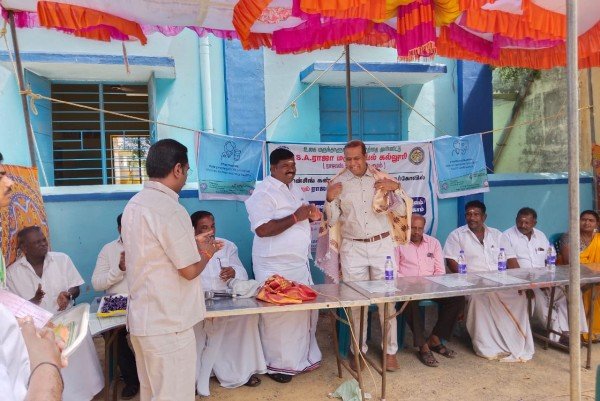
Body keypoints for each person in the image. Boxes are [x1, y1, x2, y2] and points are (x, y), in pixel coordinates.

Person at [121, 138, 221, 401]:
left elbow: (154, 253)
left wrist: (192, 242)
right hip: (168, 325)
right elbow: (189, 271)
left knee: (153, 394)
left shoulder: (134, 204)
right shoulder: (170, 209)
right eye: (186, 171)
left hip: (144, 322)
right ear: (177, 169)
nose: (186, 178)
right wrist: (208, 253)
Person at [324, 140, 411, 371]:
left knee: (387, 300)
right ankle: (358, 351)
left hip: (382, 246)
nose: (352, 163)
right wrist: (329, 199)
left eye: (357, 158)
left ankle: (389, 352)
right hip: (352, 249)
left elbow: (402, 211)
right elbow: (332, 221)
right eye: (348, 159)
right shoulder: (337, 183)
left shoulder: (381, 179)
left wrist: (395, 189)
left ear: (366, 157)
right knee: (356, 303)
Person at [245, 147, 322, 383]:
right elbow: (263, 229)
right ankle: (278, 365)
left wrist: (310, 215)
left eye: (293, 165)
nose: (291, 169)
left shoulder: (294, 188)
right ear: (273, 168)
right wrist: (296, 217)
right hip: (274, 265)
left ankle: (301, 360)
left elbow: (301, 214)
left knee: (303, 313)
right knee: (279, 317)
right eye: (285, 166)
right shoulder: (263, 193)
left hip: (298, 264)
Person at [6, 226, 104, 401]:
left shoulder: (61, 259)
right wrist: (34, 300)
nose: (43, 244)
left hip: (70, 323)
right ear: (24, 248)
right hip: (41, 333)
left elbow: (76, 288)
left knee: (83, 373)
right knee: (59, 376)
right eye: (37, 242)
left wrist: (68, 295)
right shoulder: (12, 273)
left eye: (43, 240)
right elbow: (14, 310)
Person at [0, 151, 65, 401]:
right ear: (24, 248)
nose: (10, 183)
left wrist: (27, 322)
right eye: (0, 176)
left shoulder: (60, 260)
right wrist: (46, 364)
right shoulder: (15, 271)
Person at [443, 200, 534, 362]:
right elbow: (451, 261)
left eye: (476, 214)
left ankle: (513, 341)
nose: (472, 217)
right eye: (468, 214)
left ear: (484, 217)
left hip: (500, 282)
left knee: (519, 296)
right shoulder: (456, 235)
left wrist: (520, 283)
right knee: (479, 299)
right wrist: (469, 282)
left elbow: (511, 260)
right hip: (472, 283)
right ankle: (486, 345)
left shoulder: (497, 235)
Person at [190, 210, 267, 395]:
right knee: (197, 336)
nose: (210, 232)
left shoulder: (226, 245)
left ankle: (238, 373)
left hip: (224, 299)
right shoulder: (187, 247)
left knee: (245, 319)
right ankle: (195, 379)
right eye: (204, 228)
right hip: (197, 301)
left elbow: (242, 273)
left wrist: (233, 272)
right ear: (193, 230)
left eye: (212, 226)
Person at [501, 207, 587, 345]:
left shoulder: (540, 235)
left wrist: (548, 280)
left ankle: (572, 331)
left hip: (545, 280)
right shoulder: (506, 236)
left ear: (534, 223)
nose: (523, 225)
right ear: (516, 220)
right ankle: (558, 335)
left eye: (527, 222)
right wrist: (530, 284)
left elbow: (549, 259)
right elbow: (513, 266)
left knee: (572, 292)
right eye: (520, 221)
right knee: (538, 299)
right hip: (522, 282)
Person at [395, 214, 465, 367]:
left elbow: (440, 271)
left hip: (431, 286)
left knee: (457, 298)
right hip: (408, 287)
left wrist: (430, 285)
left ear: (424, 228)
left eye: (420, 228)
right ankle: (423, 346)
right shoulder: (398, 243)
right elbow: (394, 270)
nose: (416, 232)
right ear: (407, 227)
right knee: (409, 301)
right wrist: (411, 284)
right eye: (413, 228)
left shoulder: (433, 243)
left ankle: (435, 338)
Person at [91, 213, 139, 399]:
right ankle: (132, 379)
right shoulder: (109, 249)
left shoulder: (150, 246)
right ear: (120, 229)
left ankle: (148, 375)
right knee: (112, 336)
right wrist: (119, 269)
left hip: (143, 302)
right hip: (117, 303)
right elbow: (97, 283)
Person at [560, 209, 600, 341]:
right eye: (583, 220)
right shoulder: (569, 237)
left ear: (597, 223)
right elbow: (569, 260)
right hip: (575, 276)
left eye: (591, 220)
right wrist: (591, 270)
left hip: (595, 276)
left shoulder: (598, 239)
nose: (587, 223)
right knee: (592, 288)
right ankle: (588, 330)